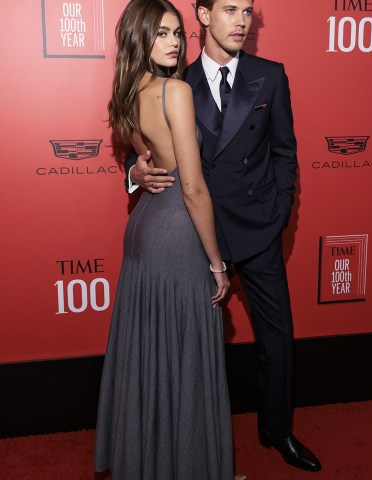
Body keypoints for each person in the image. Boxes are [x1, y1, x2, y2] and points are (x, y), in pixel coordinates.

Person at [128, 0, 321, 473]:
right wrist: (133, 174)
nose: (241, 20)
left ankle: (277, 430)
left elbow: (284, 152)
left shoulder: (270, 75)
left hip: (257, 231)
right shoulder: (176, 81)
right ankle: (192, 443)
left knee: (277, 339)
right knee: (194, 344)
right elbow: (152, 153)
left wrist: (277, 215)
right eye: (230, 9)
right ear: (204, 15)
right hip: (196, 233)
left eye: (248, 11)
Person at [94, 1, 235, 478]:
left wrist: (133, 173)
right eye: (162, 34)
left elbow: (145, 166)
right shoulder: (174, 90)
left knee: (151, 348)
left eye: (178, 33)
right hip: (176, 230)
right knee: (186, 348)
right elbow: (192, 187)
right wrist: (217, 262)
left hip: (144, 230)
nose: (175, 43)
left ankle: (151, 460)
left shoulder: (127, 92)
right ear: (141, 38)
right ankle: (187, 463)